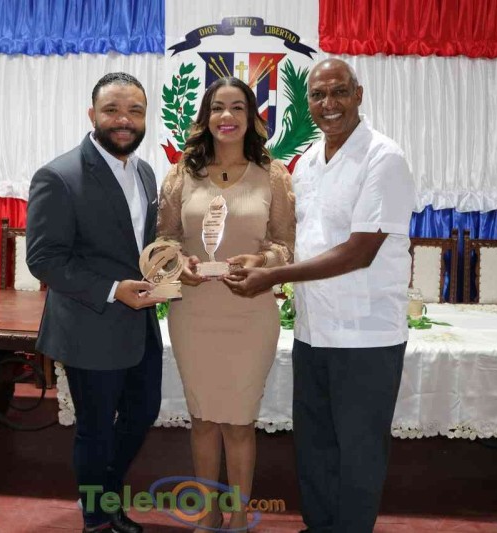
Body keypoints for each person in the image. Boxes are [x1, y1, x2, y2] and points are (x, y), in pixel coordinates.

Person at [225, 59, 416, 533]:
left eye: (339, 92)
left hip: (366, 335)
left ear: (358, 95)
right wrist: (263, 261)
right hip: (313, 330)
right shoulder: (309, 161)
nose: (328, 104)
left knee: (359, 450)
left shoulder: (383, 158)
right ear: (307, 102)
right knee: (314, 445)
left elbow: (360, 251)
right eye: (317, 95)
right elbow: (304, 240)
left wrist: (273, 276)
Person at [26, 72, 165, 533]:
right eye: (112, 110)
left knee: (143, 414)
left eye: (135, 111)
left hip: (140, 325)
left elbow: (140, 246)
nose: (124, 120)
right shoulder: (58, 176)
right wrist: (112, 289)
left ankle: (105, 492)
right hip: (89, 324)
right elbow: (43, 259)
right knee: (96, 428)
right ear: (92, 115)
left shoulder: (145, 172)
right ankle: (97, 518)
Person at [156, 76, 295, 532]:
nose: (227, 116)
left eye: (237, 107)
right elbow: (164, 239)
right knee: (202, 420)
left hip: (250, 312)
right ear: (206, 116)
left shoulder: (273, 175)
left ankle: (237, 517)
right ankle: (207, 512)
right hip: (194, 312)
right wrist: (179, 263)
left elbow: (285, 246)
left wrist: (262, 261)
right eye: (218, 107)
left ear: (252, 117)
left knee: (238, 422)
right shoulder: (182, 174)